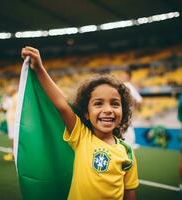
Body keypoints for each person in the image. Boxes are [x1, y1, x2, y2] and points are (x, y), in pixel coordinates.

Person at [21, 46, 139, 200]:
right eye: (98, 104)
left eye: (115, 104)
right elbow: (62, 105)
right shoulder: (81, 136)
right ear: (86, 113)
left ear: (123, 111)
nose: (108, 110)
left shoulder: (127, 152)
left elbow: (129, 193)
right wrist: (39, 68)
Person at [2, 84, 18, 161]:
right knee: (15, 138)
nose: (9, 91)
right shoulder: (17, 96)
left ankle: (13, 154)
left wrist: (4, 100)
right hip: (15, 120)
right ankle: (14, 153)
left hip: (12, 120)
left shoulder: (12, 98)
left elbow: (4, 107)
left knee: (13, 138)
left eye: (10, 89)